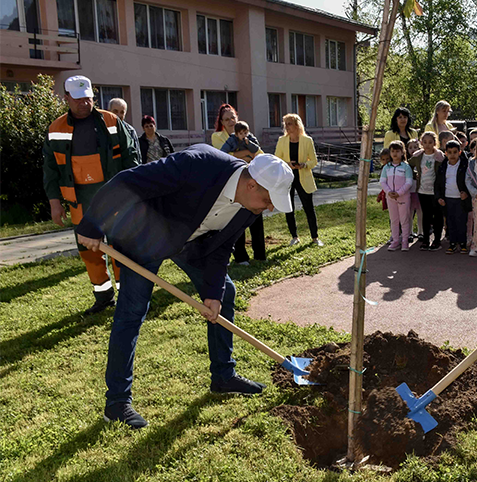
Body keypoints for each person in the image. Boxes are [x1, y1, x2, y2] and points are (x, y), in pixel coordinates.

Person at [74, 147, 294, 428]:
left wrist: (212, 294)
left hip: (189, 241)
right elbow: (126, 182)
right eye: (268, 199)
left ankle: (223, 376)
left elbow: (221, 247)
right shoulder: (197, 165)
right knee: (131, 313)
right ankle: (117, 403)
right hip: (145, 234)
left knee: (225, 295)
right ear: (251, 184)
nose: (269, 207)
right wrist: (92, 224)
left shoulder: (250, 206)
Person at [42, 75, 139, 315]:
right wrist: (55, 203)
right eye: (77, 99)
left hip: (115, 197)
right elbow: (50, 170)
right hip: (80, 201)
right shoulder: (55, 130)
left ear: (93, 97)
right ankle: (103, 297)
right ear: (66, 98)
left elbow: (131, 158)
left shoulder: (112, 121)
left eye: (87, 99)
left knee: (121, 248)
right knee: (89, 251)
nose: (83, 104)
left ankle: (128, 296)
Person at [211, 104, 266, 264]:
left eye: (232, 118)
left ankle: (260, 255)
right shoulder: (217, 137)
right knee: (237, 220)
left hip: (252, 181)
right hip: (233, 184)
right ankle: (240, 257)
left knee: (256, 217)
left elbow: (260, 154)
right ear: (221, 121)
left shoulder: (247, 133)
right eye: (226, 119)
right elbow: (223, 157)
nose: (230, 121)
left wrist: (241, 154)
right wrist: (247, 153)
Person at [275, 113, 324, 247]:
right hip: (288, 178)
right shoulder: (282, 140)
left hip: (303, 177)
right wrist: (287, 164)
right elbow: (276, 160)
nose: (287, 127)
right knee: (288, 207)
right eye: (285, 124)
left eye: (289, 124)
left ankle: (315, 237)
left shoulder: (307, 140)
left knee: (309, 208)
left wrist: (304, 165)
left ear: (297, 125)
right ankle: (294, 236)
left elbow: (314, 161)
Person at [409, 132, 444, 250]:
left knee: (437, 216)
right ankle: (425, 240)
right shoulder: (418, 156)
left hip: (436, 192)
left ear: (435, 143)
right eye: (425, 142)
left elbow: (443, 172)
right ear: (421, 143)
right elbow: (408, 165)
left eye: (430, 142)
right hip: (423, 191)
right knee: (426, 216)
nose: (427, 145)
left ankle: (437, 240)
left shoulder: (439, 157)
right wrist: (414, 175)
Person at [435, 140, 471, 254]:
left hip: (460, 199)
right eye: (449, 152)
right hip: (448, 198)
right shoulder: (443, 167)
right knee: (450, 222)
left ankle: (462, 243)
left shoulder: (464, 165)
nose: (452, 155)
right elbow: (438, 183)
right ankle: (452, 243)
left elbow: (469, 181)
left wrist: (466, 193)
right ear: (445, 153)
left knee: (461, 221)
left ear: (460, 152)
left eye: (455, 152)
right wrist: (439, 197)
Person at [380, 141, 413, 251]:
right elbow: (382, 181)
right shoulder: (386, 168)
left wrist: (399, 193)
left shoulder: (406, 167)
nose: (395, 154)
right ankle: (395, 241)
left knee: (404, 220)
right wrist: (389, 192)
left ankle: (404, 241)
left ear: (402, 152)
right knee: (394, 220)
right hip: (390, 198)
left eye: (397, 151)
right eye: (392, 151)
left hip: (403, 197)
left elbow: (409, 182)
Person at [108, 98, 141, 164]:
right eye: (115, 111)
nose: (119, 115)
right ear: (109, 111)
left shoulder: (130, 131)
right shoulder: (102, 129)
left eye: (122, 112)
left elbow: (137, 155)